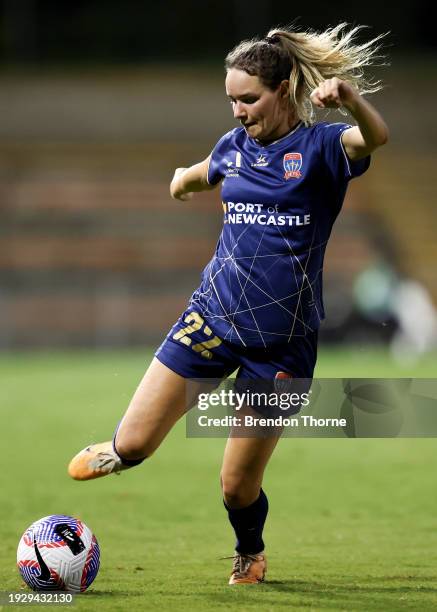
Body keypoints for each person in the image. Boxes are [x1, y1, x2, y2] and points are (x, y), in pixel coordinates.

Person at [68, 23, 389, 585]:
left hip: (283, 346)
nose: (239, 111)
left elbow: (375, 139)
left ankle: (250, 551)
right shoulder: (231, 147)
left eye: (249, 99)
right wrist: (181, 184)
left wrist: (352, 99)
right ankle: (122, 447)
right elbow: (194, 177)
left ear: (284, 89)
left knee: (236, 486)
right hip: (211, 320)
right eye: (231, 100)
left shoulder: (321, 148)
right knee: (136, 445)